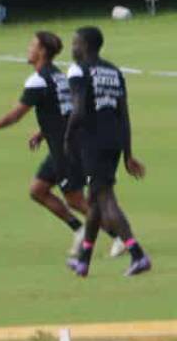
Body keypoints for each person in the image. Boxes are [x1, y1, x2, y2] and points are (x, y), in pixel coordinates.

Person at [0, 31, 121, 257]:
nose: (28, 49)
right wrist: (42, 132)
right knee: (38, 190)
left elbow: (14, 117)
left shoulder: (38, 80)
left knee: (75, 199)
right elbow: (65, 108)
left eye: (32, 45)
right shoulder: (57, 75)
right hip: (62, 144)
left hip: (67, 148)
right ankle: (79, 230)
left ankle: (119, 236)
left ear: (42, 52)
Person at [64, 27, 151, 278]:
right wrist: (127, 153)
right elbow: (123, 115)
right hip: (113, 140)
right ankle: (83, 262)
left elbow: (78, 110)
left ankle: (138, 254)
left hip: (93, 142)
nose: (73, 48)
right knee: (94, 202)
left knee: (106, 199)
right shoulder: (114, 71)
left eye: (75, 43)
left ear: (85, 45)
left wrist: (69, 138)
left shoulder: (78, 70)